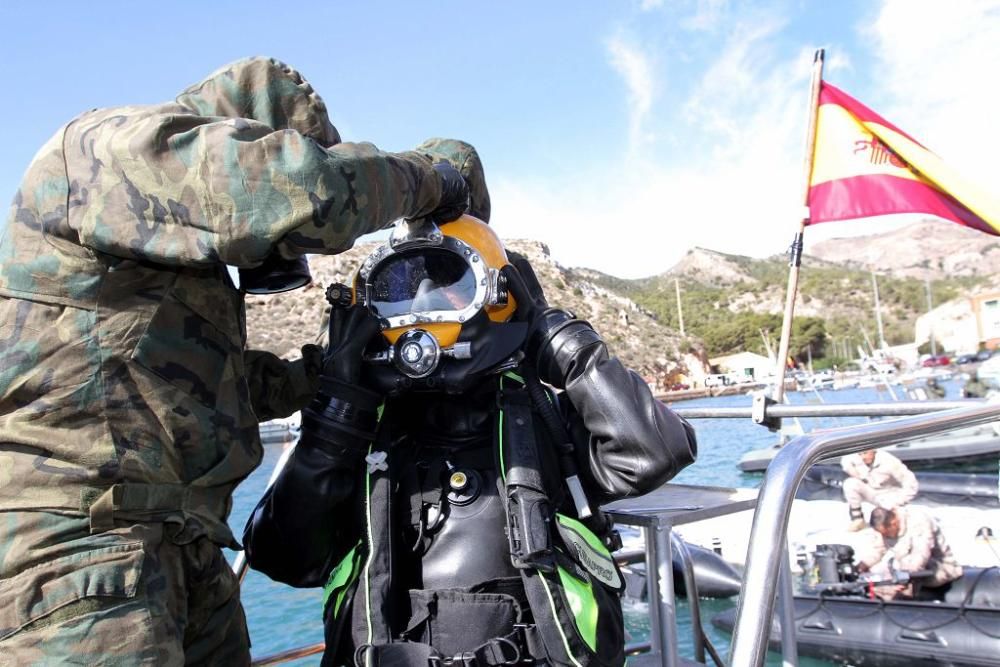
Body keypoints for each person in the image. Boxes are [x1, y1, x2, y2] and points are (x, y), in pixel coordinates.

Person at [0, 56, 483, 664]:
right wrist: (436, 177)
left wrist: (333, 374)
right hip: (77, 549)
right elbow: (308, 189)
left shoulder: (162, 247)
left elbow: (202, 383)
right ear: (249, 132)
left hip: (182, 545)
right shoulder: (104, 150)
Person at [243, 215, 698, 666]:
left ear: (497, 294)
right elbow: (283, 555)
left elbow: (654, 451)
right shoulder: (361, 442)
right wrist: (338, 409)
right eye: (399, 289)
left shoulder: (544, 423)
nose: (422, 301)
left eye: (447, 282)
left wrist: (558, 340)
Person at [859, 506, 962, 600]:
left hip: (938, 568)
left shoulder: (918, 521)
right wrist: (862, 566)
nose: (885, 536)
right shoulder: (883, 528)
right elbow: (877, 550)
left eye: (885, 533)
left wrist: (904, 575)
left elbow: (921, 553)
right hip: (903, 569)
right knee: (875, 572)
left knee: (899, 565)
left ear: (894, 523)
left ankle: (903, 603)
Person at [841, 449, 918, 531]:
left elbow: (911, 483)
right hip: (872, 492)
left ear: (873, 450)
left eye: (865, 453)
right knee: (850, 484)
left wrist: (901, 501)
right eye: (860, 454)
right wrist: (858, 475)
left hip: (889, 496)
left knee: (890, 522)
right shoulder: (855, 459)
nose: (863, 457)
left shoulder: (889, 461)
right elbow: (845, 462)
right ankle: (858, 519)